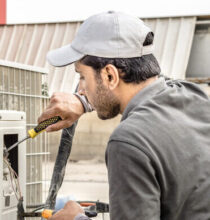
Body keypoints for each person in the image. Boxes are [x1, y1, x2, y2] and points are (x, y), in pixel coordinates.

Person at [39, 11, 210, 220]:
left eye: (82, 77)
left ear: (110, 75)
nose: (81, 90)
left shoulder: (129, 141)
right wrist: (85, 102)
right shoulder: (196, 96)